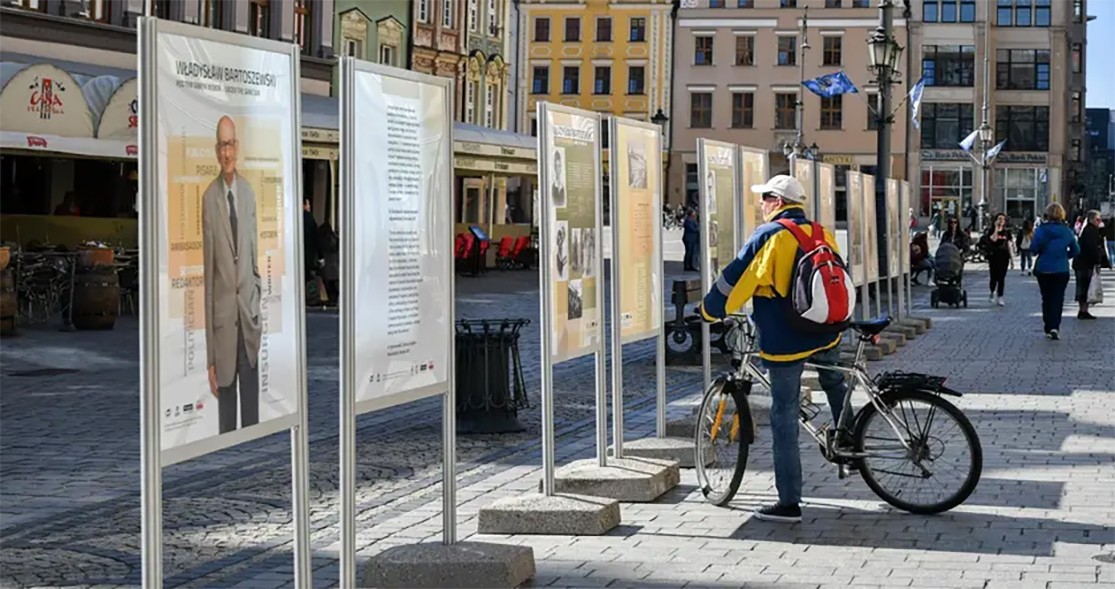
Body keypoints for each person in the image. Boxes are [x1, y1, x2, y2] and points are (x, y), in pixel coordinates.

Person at [699, 175, 847, 523]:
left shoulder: (769, 235)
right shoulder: (820, 231)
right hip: (826, 329)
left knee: (784, 414)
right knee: (834, 383)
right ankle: (850, 446)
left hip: (787, 337)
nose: (762, 204)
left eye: (765, 198)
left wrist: (709, 310)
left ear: (778, 201)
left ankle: (789, 502)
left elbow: (736, 278)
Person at [202, 116, 261, 434]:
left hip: (248, 326)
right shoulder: (210, 198)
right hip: (224, 328)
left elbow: (253, 261)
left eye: (230, 144)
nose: (226, 152)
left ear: (237, 147)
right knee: (227, 425)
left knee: (252, 419)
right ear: (216, 150)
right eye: (221, 145)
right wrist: (210, 357)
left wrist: (256, 311)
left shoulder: (248, 193)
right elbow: (209, 281)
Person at [1029, 202, 1079, 340]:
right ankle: (1055, 326)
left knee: (1046, 298)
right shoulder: (1067, 231)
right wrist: (1064, 256)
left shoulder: (1041, 230)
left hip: (1044, 269)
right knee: (1058, 298)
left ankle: (1048, 326)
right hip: (1061, 269)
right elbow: (1076, 250)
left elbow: (1033, 249)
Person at [1074, 210, 1110, 320]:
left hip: (1082, 262)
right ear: (1091, 219)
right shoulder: (1090, 231)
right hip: (1086, 263)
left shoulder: (1089, 230)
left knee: (1085, 287)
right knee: (1085, 287)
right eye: (1097, 219)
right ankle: (1083, 310)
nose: (1100, 222)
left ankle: (1083, 310)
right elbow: (1093, 248)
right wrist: (1097, 261)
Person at [979, 213, 1013, 306]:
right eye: (999, 219)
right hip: (993, 257)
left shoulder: (1007, 232)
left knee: (1001, 278)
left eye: (1003, 219)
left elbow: (1009, 245)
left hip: (1004, 257)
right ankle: (992, 291)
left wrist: (1012, 259)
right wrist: (996, 230)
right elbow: (993, 240)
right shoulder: (991, 231)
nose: (1001, 221)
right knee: (993, 277)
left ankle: (1000, 296)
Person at [318, 221, 340, 305]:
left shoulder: (321, 241)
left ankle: (331, 304)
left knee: (330, 292)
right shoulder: (336, 239)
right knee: (336, 292)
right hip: (336, 271)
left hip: (327, 272)